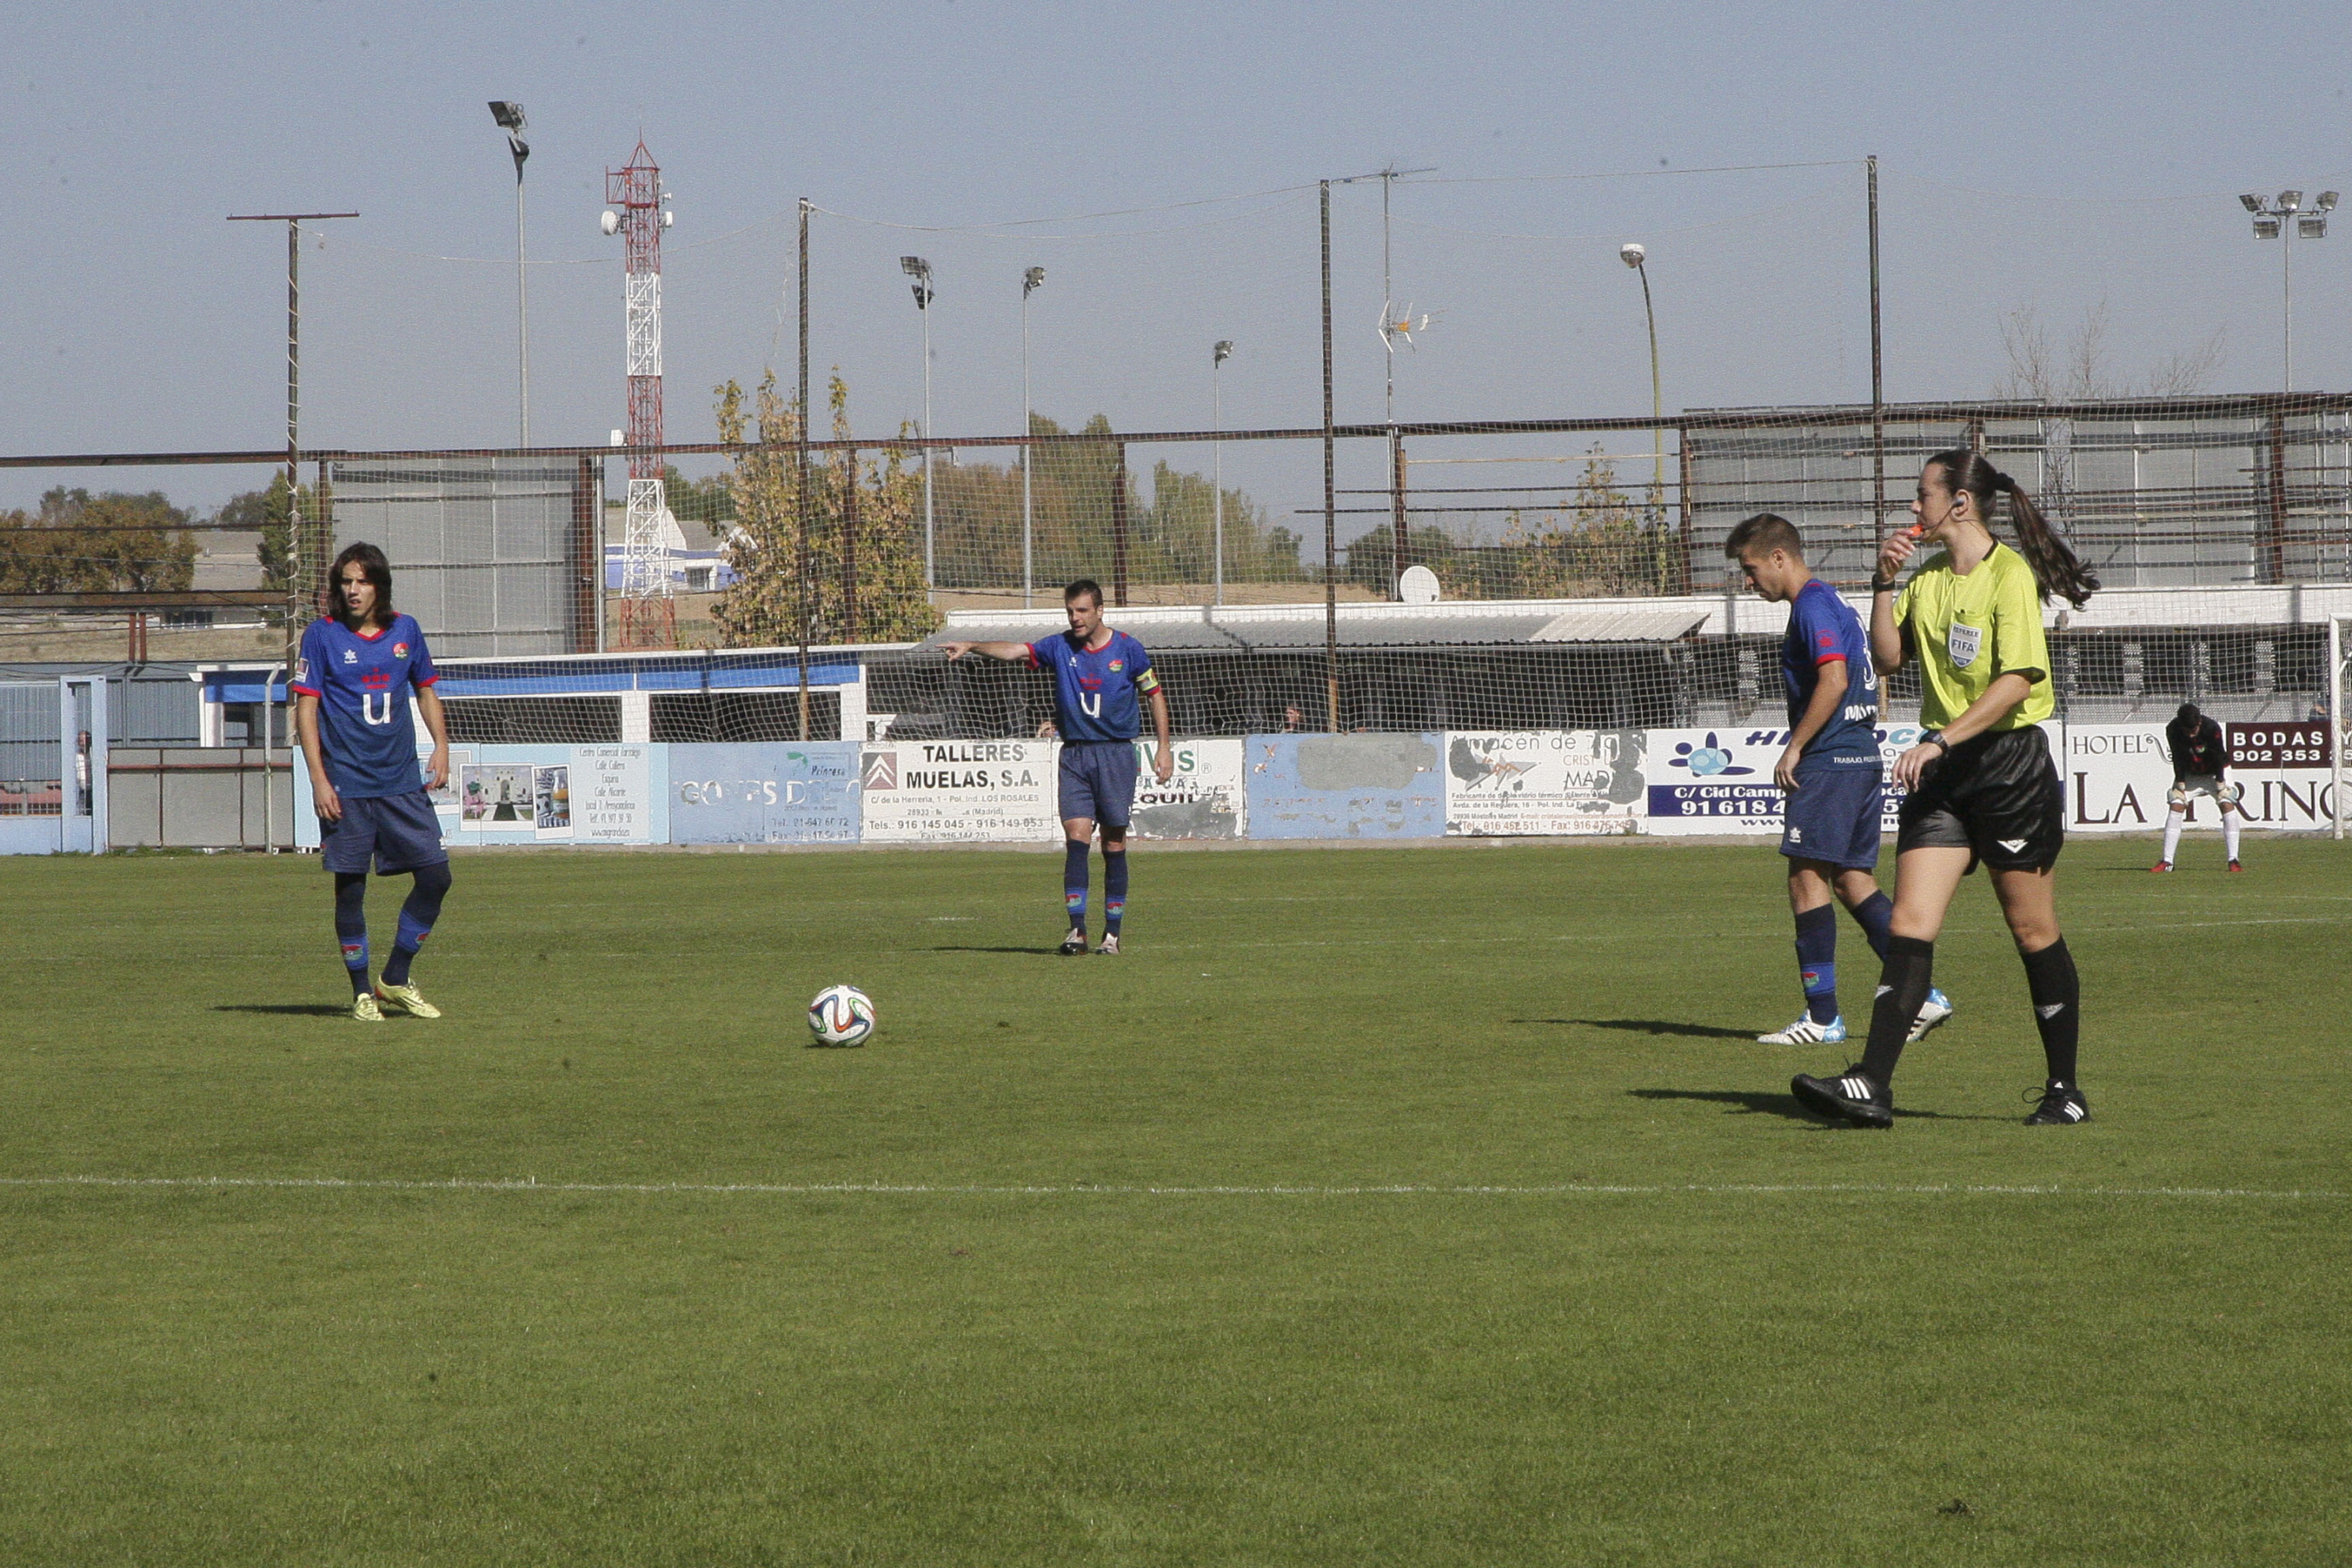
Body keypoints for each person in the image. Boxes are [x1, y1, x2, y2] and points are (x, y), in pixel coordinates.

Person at [1792, 450, 2100, 1129]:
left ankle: (2065, 1090)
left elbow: (2016, 681)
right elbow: (1888, 658)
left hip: (2009, 768)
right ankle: (1871, 1083)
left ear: (1960, 503)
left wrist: (1938, 739)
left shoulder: (2009, 576)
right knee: (1908, 924)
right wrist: (1882, 583)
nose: (1912, 508)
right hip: (1945, 772)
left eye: (1921, 495)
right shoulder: (1927, 579)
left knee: (2031, 929)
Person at [1725, 513, 1951, 1048]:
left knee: (1806, 880)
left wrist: (1796, 745)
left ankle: (1823, 1019)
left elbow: (1835, 678)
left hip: (1829, 762)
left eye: (1752, 569)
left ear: (1780, 557)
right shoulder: (1831, 602)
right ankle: (1925, 993)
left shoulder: (1812, 606)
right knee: (1853, 880)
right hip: (1860, 759)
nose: (1749, 582)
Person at [941, 579, 1173, 955]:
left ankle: (1111, 935)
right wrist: (972, 646)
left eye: (1082, 611)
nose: (1075, 618)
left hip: (1115, 754)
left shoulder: (1129, 649)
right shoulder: (1059, 646)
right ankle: (1077, 931)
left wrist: (1164, 748)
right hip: (1075, 756)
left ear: (1100, 611)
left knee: (1114, 841)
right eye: (1070, 611)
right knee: (1076, 838)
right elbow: (1016, 651)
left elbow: (1155, 695)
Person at [292, 542, 454, 1022]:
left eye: (362, 581)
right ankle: (362, 993)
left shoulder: (406, 630)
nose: (353, 590)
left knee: (436, 876)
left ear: (379, 585)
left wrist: (440, 746)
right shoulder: (320, 637)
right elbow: (305, 710)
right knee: (351, 888)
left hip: (401, 781)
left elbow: (426, 691)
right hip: (347, 784)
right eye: (346, 582)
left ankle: (396, 978)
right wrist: (319, 781)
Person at [2153, 702, 2242, 873]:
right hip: (2191, 774)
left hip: (2217, 771)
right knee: (2176, 804)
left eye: (2193, 730)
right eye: (2187, 730)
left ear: (2199, 723)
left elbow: (2217, 753)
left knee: (2226, 803)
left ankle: (2233, 860)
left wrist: (2220, 782)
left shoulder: (2211, 728)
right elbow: (2177, 756)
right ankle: (2167, 861)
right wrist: (2180, 781)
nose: (2191, 734)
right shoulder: (2172, 729)